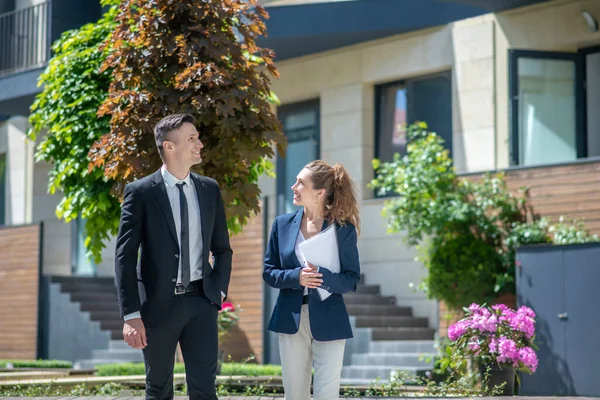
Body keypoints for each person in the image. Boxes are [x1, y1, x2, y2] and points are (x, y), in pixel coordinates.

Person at [114, 114, 233, 400]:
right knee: (158, 388)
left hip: (201, 302)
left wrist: (216, 292)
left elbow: (222, 249)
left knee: (205, 389)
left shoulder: (209, 189)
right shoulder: (140, 192)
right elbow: (125, 258)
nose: (200, 144)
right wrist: (131, 315)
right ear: (169, 146)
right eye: (192, 138)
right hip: (157, 306)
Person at [263, 160, 361, 400]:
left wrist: (322, 278)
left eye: (300, 183)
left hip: (330, 317)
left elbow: (351, 279)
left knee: (326, 394)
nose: (293, 187)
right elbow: (269, 272)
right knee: (294, 394)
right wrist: (297, 277)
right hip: (290, 319)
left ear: (319, 192)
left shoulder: (342, 229)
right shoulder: (281, 225)